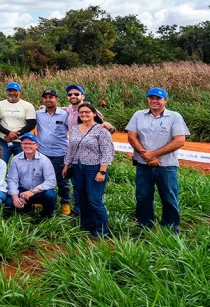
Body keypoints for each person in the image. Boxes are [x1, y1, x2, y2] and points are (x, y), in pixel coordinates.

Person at [126, 87, 189, 233]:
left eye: (158, 98)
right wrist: (145, 155)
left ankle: (171, 227)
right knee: (143, 196)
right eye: (151, 98)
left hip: (166, 166)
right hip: (143, 165)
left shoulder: (174, 117)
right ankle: (144, 226)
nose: (154, 101)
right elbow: (131, 136)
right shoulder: (138, 115)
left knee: (169, 197)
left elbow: (179, 141)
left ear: (165, 100)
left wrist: (153, 154)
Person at [64, 102, 115, 238]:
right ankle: (86, 225)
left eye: (87, 112)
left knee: (94, 199)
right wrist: (67, 165)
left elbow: (107, 152)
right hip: (77, 167)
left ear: (94, 114)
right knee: (82, 198)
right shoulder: (75, 129)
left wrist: (102, 171)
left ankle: (101, 230)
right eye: (81, 112)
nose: (84, 114)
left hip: (94, 168)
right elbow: (71, 149)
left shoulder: (101, 129)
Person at [35, 89, 73, 215]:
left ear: (57, 99)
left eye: (51, 97)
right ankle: (40, 199)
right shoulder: (38, 114)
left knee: (62, 180)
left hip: (60, 153)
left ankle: (65, 202)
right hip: (42, 152)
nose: (48, 100)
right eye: (45, 97)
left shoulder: (65, 115)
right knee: (40, 177)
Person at [6, 134, 58, 219]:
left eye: (30, 143)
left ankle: (45, 218)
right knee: (9, 202)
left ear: (36, 145)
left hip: (38, 192)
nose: (27, 146)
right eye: (24, 143)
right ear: (21, 145)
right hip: (22, 191)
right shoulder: (15, 159)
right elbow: (12, 180)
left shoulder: (44, 160)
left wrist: (32, 192)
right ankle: (27, 211)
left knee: (50, 195)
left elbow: (51, 181)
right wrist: (15, 197)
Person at [0, 82, 36, 163]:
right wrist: (8, 133)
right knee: (0, 164)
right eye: (10, 90)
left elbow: (31, 124)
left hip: (22, 142)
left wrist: (17, 134)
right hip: (4, 141)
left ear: (20, 92)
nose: (12, 93)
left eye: (15, 91)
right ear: (6, 91)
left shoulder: (28, 106)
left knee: (22, 165)